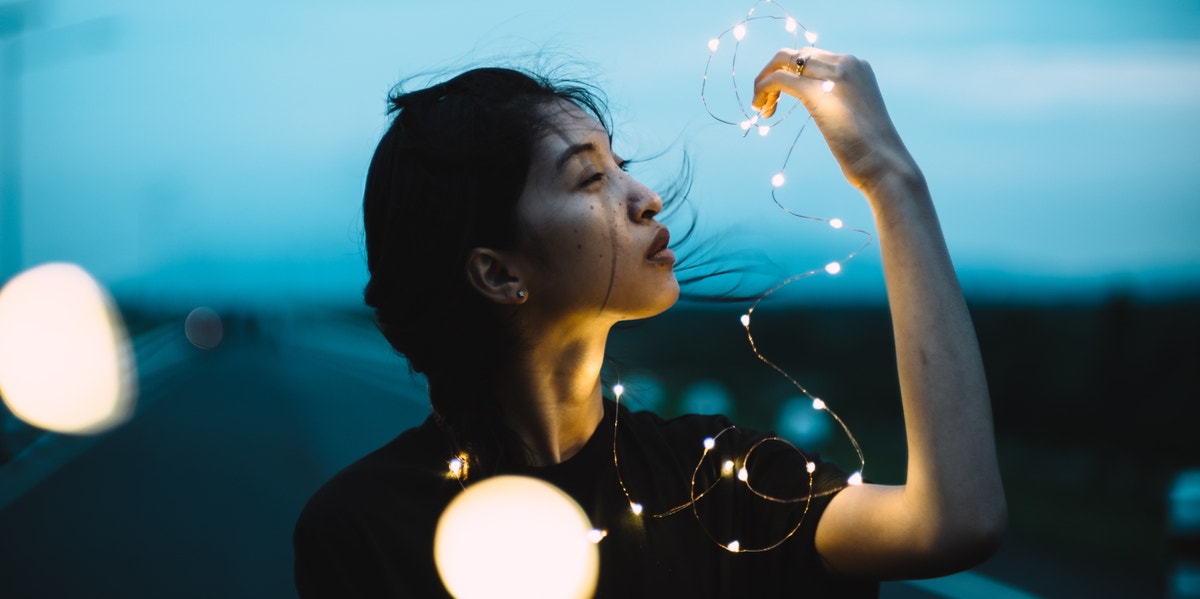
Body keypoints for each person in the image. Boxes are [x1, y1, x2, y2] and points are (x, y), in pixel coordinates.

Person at [293, 47, 1006, 597]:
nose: (647, 197)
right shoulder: (365, 528)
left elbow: (953, 522)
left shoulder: (718, 481)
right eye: (589, 177)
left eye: (621, 163)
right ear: (499, 272)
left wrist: (891, 179)